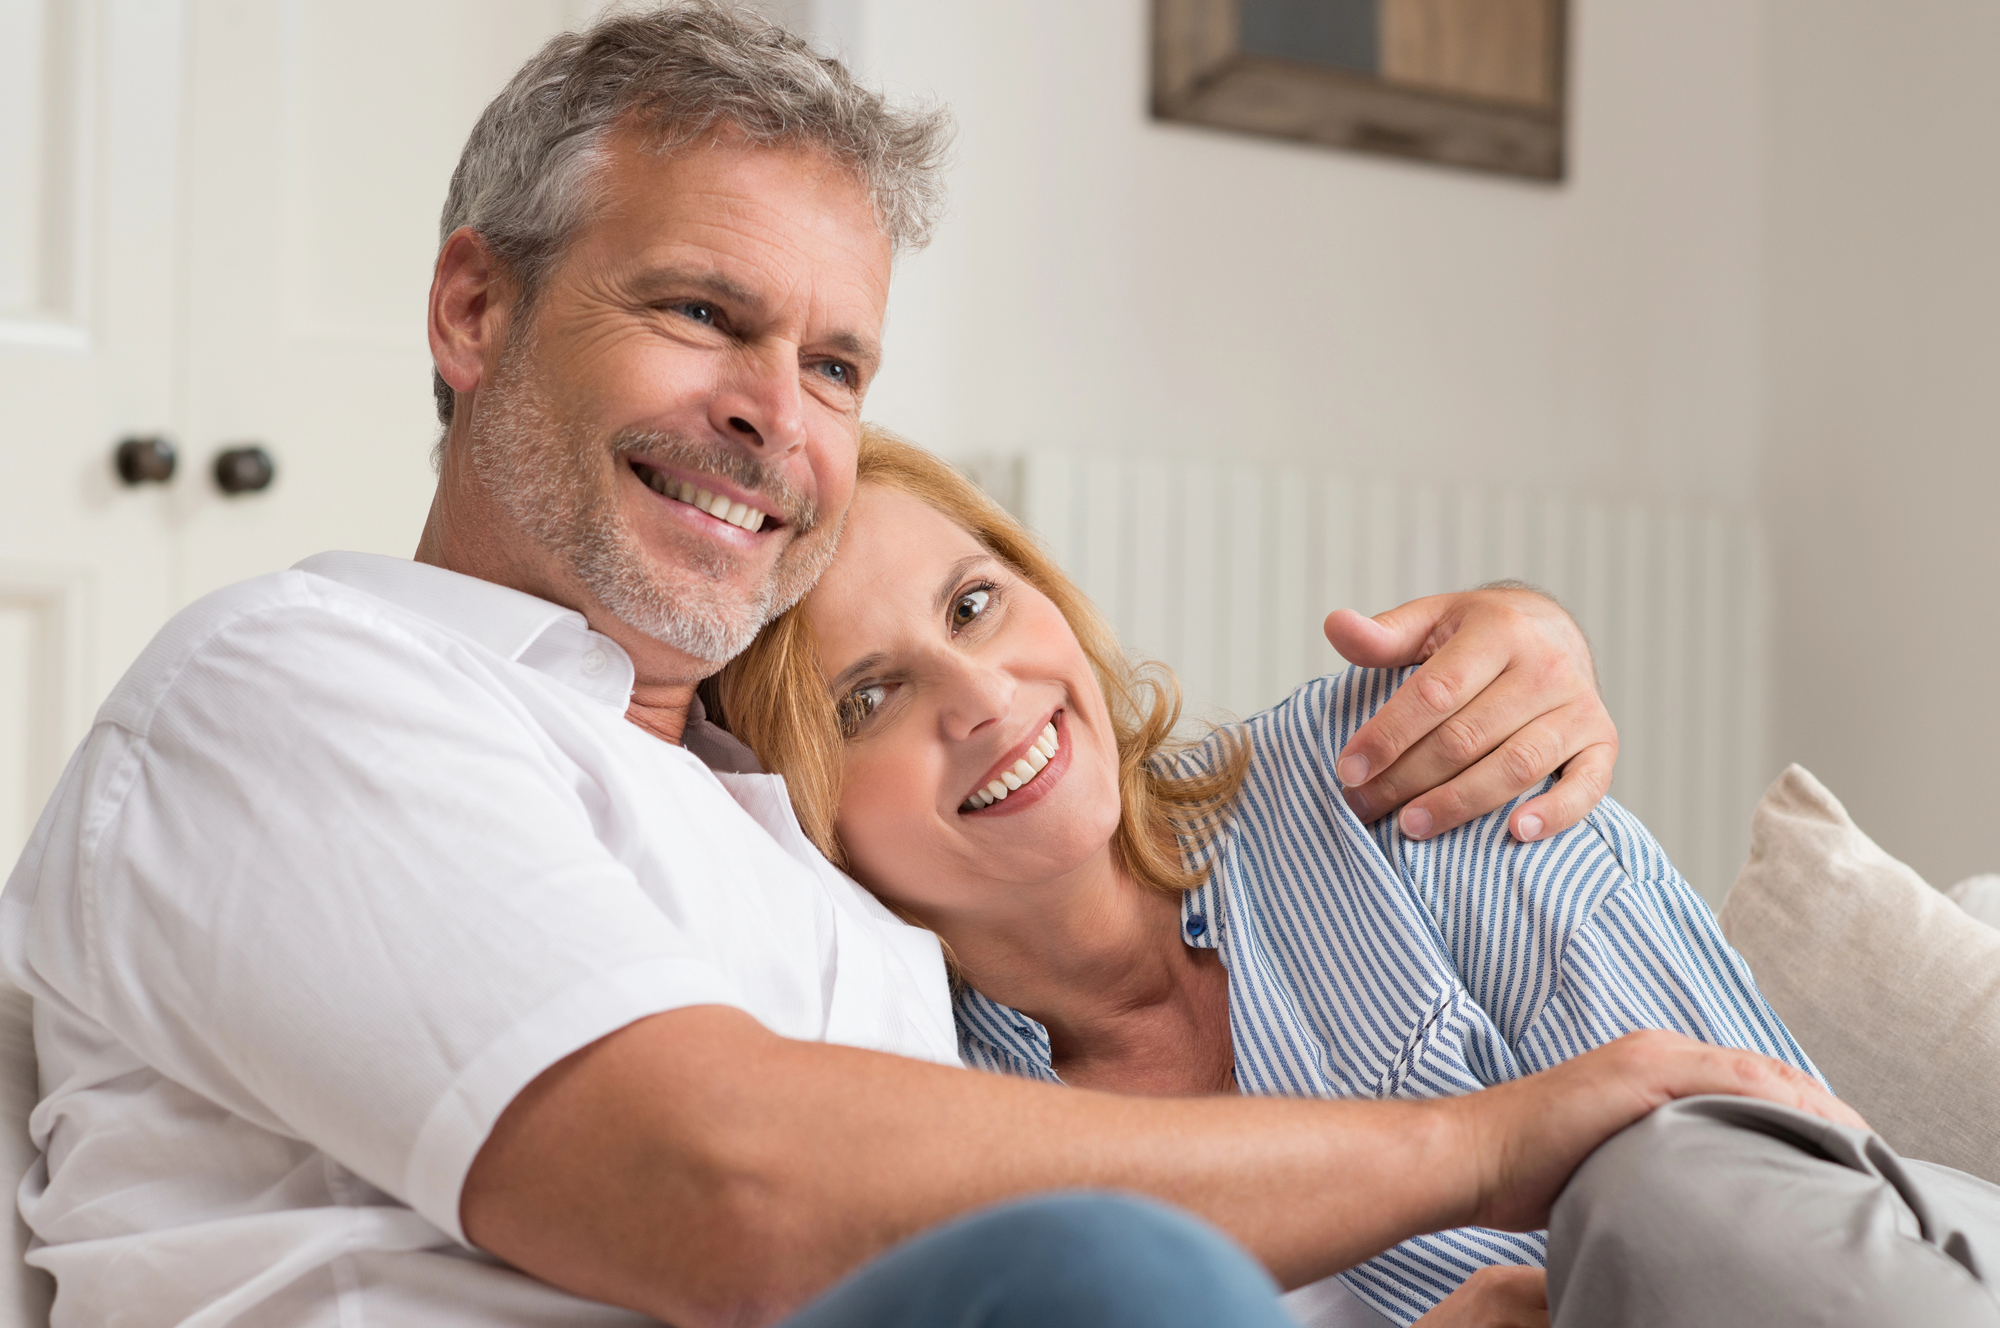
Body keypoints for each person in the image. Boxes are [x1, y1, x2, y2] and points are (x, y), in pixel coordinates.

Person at [0, 6, 1908, 1328]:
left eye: (835, 365)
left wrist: (1520, 635)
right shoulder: (302, 679)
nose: (774, 415)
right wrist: (1481, 1145)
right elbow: (728, 1194)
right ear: (474, 306)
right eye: (699, 312)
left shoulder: (789, 854)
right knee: (1117, 1275)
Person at [709, 430, 1821, 1326]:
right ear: (802, 813)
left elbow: (1793, 1210)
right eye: (866, 699)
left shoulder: (1388, 780)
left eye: (972, 604)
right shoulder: (916, 1084)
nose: (986, 696)